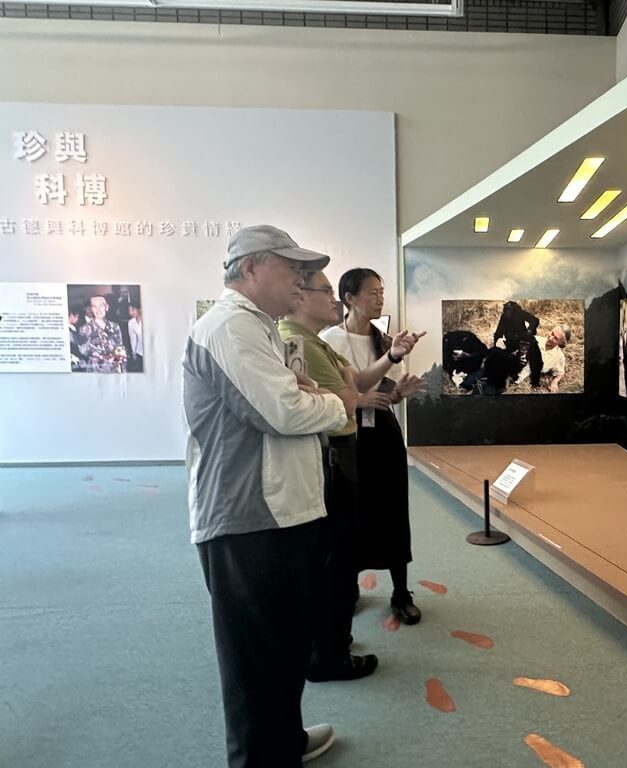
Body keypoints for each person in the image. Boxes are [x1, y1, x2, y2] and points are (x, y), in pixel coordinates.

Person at [183, 225, 348, 767]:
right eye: (291, 268)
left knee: (282, 644)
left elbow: (296, 399)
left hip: (280, 513)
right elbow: (285, 411)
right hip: (248, 518)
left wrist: (314, 398)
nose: (302, 280)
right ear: (250, 267)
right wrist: (334, 404)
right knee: (256, 657)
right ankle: (263, 755)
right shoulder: (230, 327)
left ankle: (285, 741)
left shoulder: (257, 327)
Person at [279, 270, 387, 682]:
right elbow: (346, 400)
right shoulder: (299, 342)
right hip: (331, 460)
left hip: (337, 457)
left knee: (336, 559)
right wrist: (350, 394)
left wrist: (353, 389)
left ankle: (329, 641)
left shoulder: (314, 341)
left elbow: (353, 385)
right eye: (326, 292)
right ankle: (329, 654)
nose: (333, 301)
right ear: (300, 295)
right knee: (335, 562)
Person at [321, 268, 426, 625]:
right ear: (349, 298)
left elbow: (386, 396)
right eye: (372, 293)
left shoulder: (386, 341)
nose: (380, 299)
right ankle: (348, 587)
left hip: (383, 434)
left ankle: (401, 592)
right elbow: (332, 392)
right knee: (348, 511)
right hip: (346, 436)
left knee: (394, 508)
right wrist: (359, 399)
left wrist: (399, 393)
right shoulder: (329, 341)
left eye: (382, 292)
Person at [78, 294, 127, 372]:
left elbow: (120, 347)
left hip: (115, 369)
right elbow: (82, 351)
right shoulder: (85, 329)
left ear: (106, 307)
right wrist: (102, 356)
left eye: (101, 306)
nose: (98, 310)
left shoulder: (115, 326)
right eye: (94, 306)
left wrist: (123, 366)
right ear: (91, 309)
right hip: (96, 370)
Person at [517, 324, 570, 392]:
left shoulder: (558, 357)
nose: (551, 338)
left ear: (561, 343)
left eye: (555, 338)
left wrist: (554, 382)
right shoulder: (534, 340)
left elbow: (560, 373)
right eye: (552, 333)